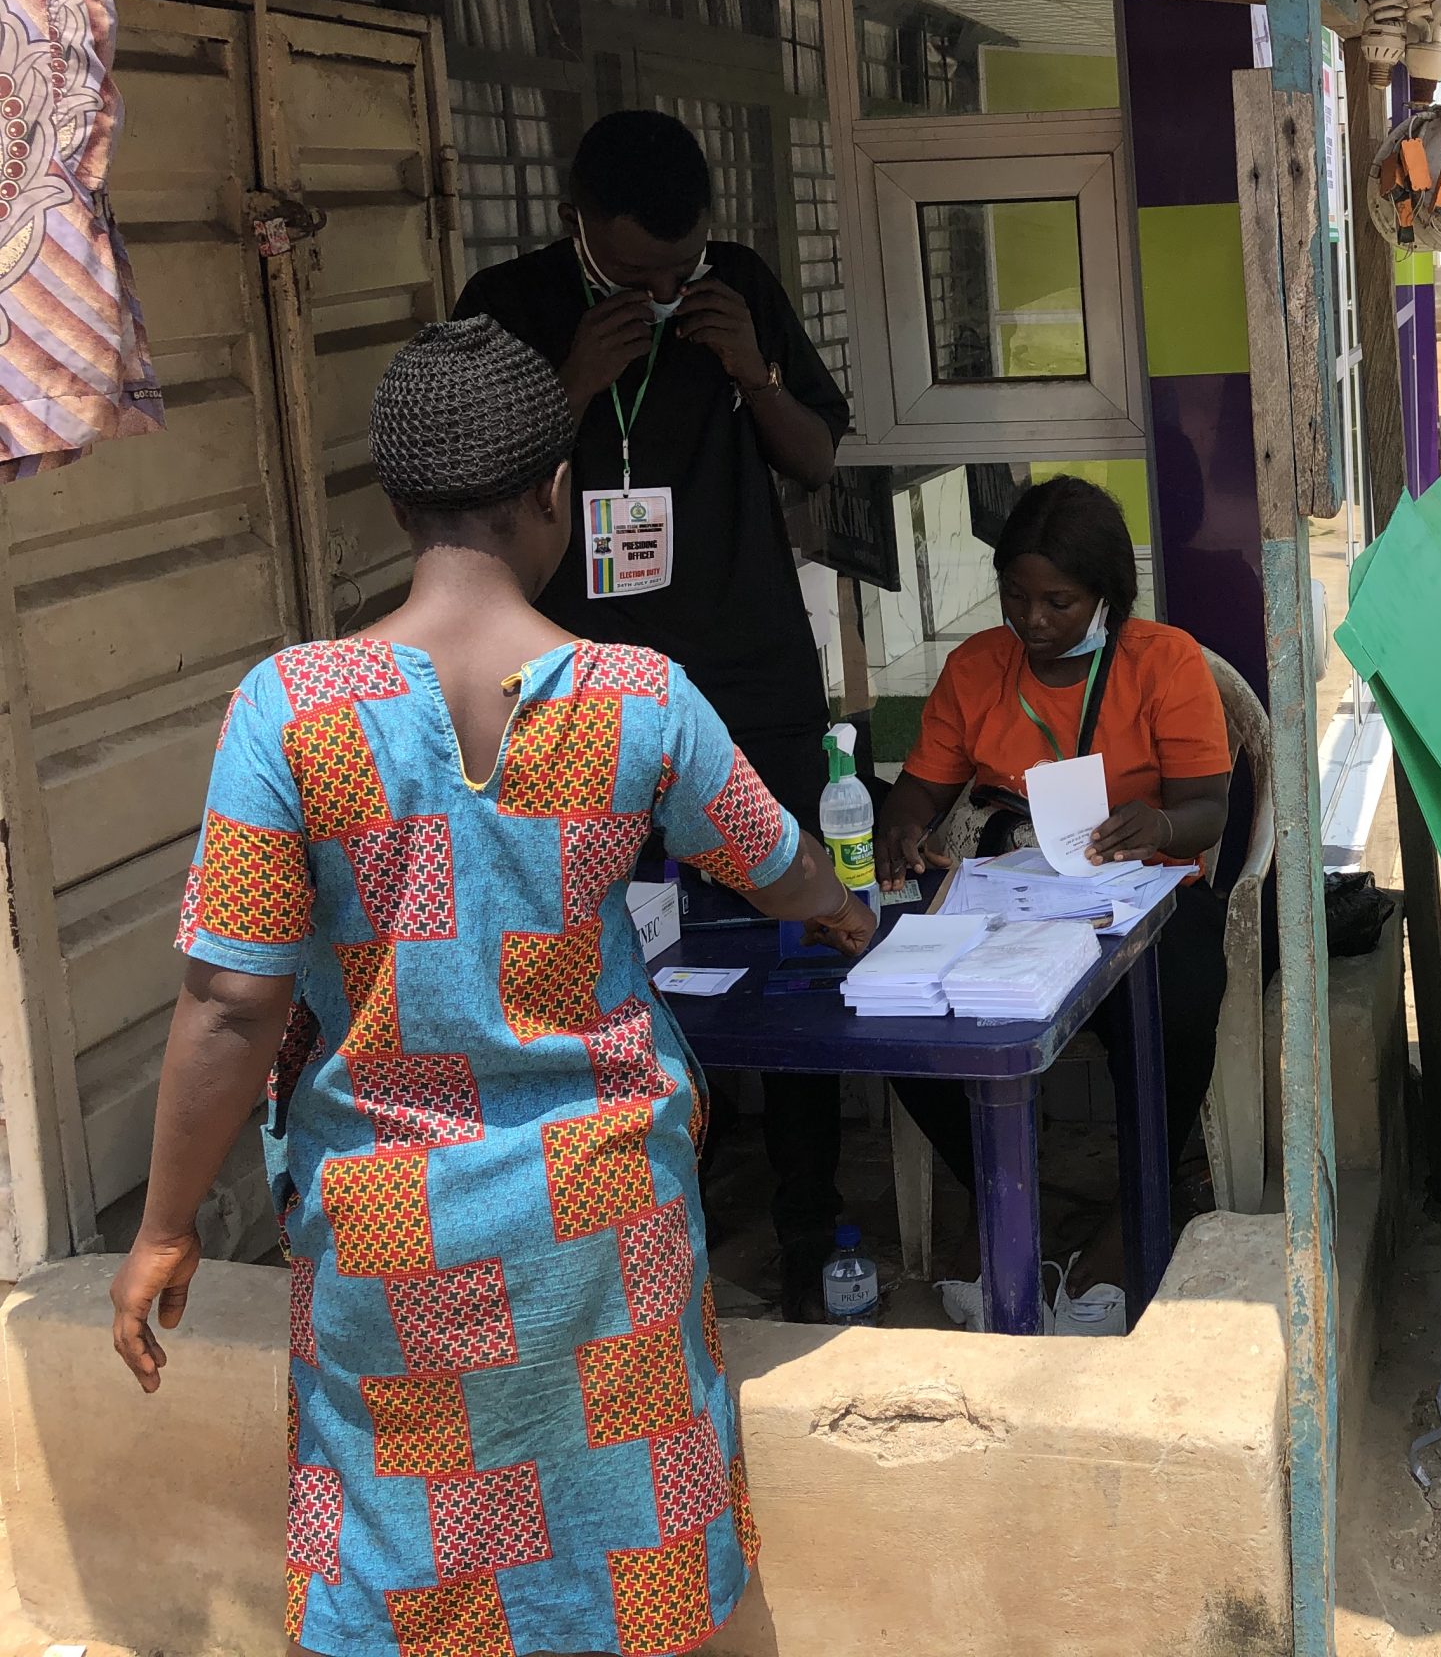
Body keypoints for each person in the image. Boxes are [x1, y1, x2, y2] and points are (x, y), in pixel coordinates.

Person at [106, 318, 874, 1657]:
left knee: (408, 1563)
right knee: (632, 1540)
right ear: (556, 494)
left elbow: (229, 1006)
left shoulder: (286, 711)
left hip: (392, 1235)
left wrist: (168, 1222)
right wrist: (847, 910)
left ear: (398, 506)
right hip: (603, 1220)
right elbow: (774, 864)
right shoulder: (645, 697)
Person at [457, 110, 855, 1319]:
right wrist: (573, 382)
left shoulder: (737, 286)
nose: (664, 288)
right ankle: (619, 1222)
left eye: (678, 267)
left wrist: (753, 372)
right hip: (570, 685)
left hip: (745, 675)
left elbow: (818, 461)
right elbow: (470, 493)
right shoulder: (509, 300)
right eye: (637, 272)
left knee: (796, 947)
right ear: (578, 222)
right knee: (597, 949)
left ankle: (806, 1226)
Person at [875, 478, 1233, 1278]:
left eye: (1059, 603)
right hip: (1014, 890)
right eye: (1016, 598)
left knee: (1177, 1006)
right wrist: (901, 825)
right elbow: (921, 788)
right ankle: (999, 1189)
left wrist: (1164, 826)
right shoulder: (977, 668)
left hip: (1144, 891)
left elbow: (1209, 807)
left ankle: (1138, 1200)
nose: (1033, 622)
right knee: (899, 1002)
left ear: (1107, 596)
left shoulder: (1164, 662)